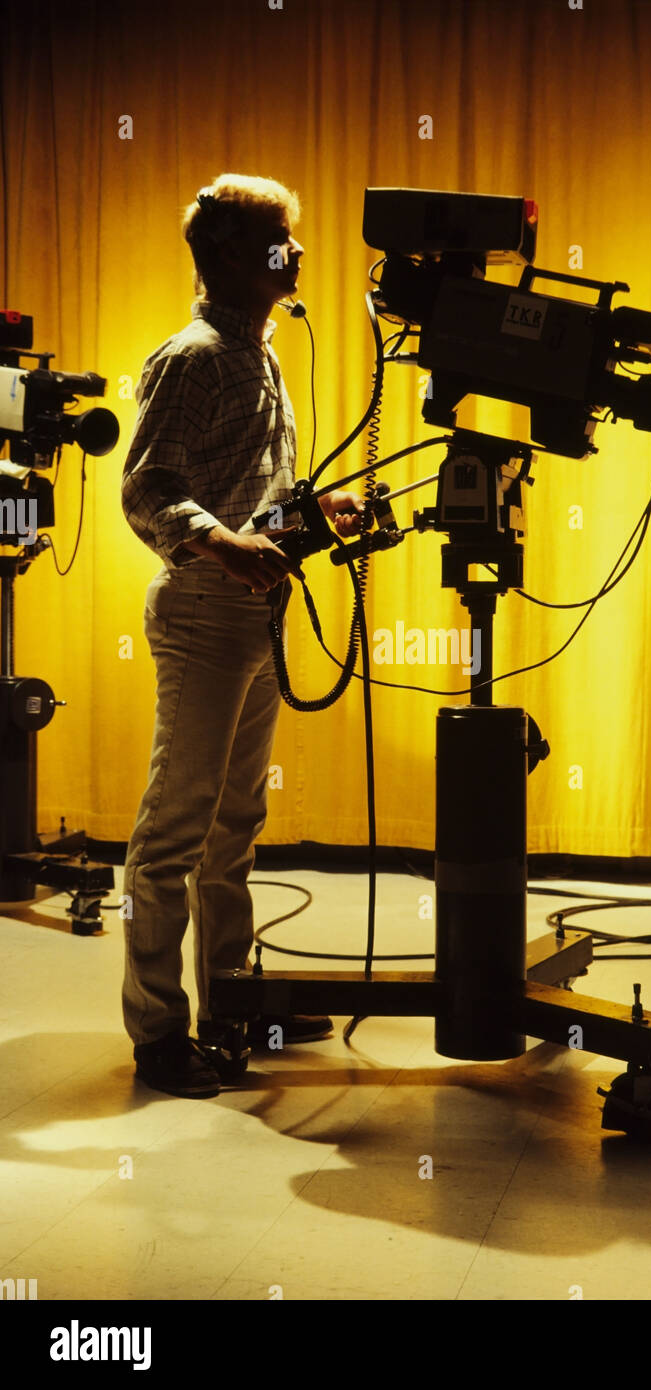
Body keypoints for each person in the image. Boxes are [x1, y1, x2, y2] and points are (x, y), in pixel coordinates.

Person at [120, 173, 363, 1098]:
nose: (297, 254)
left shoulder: (260, 354)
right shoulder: (191, 357)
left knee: (236, 826)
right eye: (277, 241)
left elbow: (249, 492)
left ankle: (234, 998)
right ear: (227, 255)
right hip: (203, 615)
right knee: (175, 832)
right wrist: (222, 542)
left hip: (255, 613)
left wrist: (315, 510)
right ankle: (158, 1033)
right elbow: (149, 489)